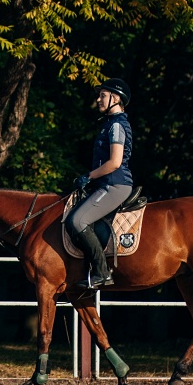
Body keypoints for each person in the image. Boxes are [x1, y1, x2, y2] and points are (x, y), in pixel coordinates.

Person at [67, 78, 135, 290]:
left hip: (115, 185)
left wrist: (89, 176)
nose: (98, 99)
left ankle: (101, 273)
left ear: (116, 98)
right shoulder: (109, 124)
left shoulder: (116, 125)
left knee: (77, 221)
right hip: (105, 184)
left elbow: (114, 162)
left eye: (103, 95)